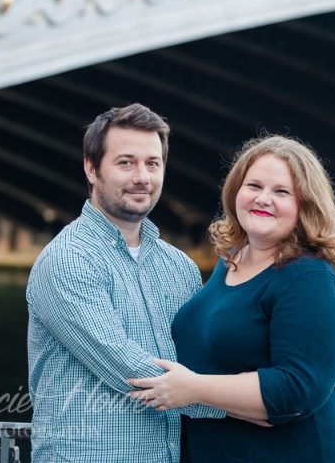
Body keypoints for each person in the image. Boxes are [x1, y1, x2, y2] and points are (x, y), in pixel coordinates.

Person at [129, 134, 335, 462]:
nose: (263, 198)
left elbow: (296, 388)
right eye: (253, 186)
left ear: (305, 205)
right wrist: (226, 397)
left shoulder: (311, 277)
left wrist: (194, 390)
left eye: (281, 191)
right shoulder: (231, 261)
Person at [26, 103, 221, 463]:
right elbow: (131, 372)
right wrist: (251, 401)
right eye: (126, 162)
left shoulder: (180, 267)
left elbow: (203, 354)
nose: (142, 177)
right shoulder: (68, 260)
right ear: (91, 168)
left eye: (152, 163)